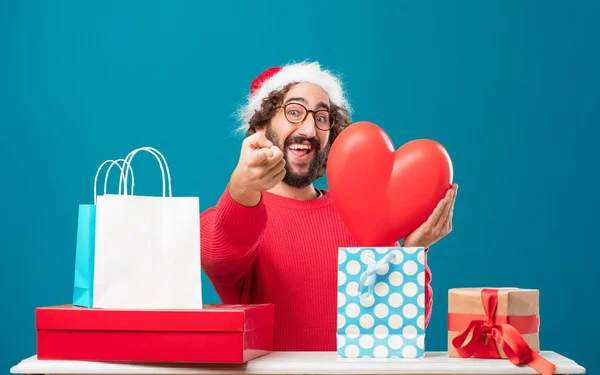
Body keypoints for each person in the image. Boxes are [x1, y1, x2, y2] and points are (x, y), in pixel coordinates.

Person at [200, 61, 458, 352]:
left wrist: (412, 252)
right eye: (294, 112)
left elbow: (396, 332)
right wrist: (242, 188)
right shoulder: (234, 215)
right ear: (261, 125)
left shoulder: (360, 214)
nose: (309, 129)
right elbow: (216, 256)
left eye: (321, 118)